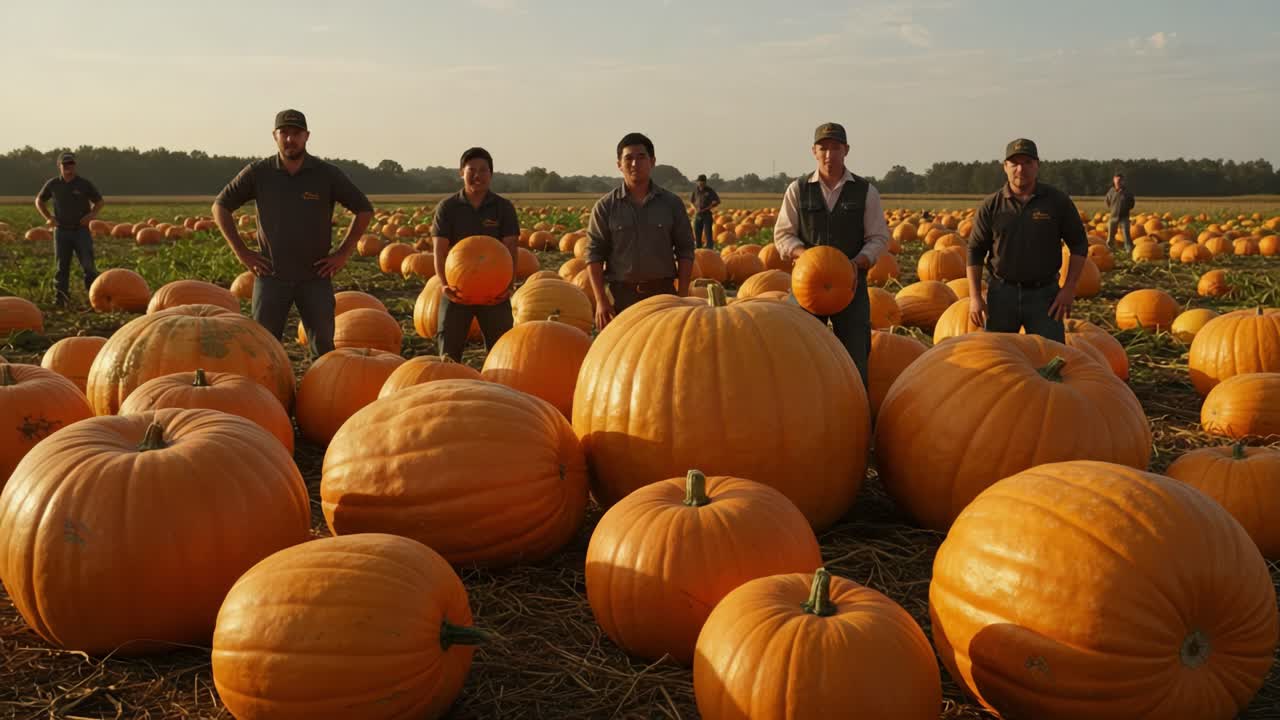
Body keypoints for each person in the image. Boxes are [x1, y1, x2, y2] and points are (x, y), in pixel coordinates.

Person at [213, 109, 374, 358]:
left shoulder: (326, 174)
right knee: (264, 348)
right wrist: (242, 252)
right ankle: (269, 395)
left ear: (307, 136)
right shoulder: (259, 172)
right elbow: (220, 206)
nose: (290, 139)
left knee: (324, 348)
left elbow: (363, 209)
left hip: (315, 276)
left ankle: (325, 395)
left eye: (296, 133)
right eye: (284, 133)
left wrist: (343, 253)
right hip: (271, 275)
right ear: (275, 136)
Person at [773, 122, 890, 387]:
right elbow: (782, 234)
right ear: (813, 151)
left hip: (850, 285)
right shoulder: (798, 190)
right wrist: (804, 255)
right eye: (823, 148)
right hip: (806, 286)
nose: (829, 154)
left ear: (845, 150)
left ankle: (854, 413)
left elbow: (878, 237)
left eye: (835, 147)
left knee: (855, 354)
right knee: (798, 351)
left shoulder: (865, 191)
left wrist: (858, 262)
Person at [966, 138, 1089, 344]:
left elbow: (1078, 244)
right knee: (1001, 359)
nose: (1020, 169)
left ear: (1037, 165)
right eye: (1014, 163)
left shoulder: (1056, 201)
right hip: (1002, 294)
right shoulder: (991, 206)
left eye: (1027, 163)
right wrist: (975, 297)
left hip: (1045, 296)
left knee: (1050, 357)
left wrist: (1069, 288)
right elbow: (975, 251)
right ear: (1005, 167)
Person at [585, 132, 696, 329]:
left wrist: (683, 295)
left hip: (663, 295)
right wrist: (601, 301)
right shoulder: (605, 207)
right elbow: (594, 256)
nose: (635, 164)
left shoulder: (671, 204)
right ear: (619, 164)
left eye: (641, 157)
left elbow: (685, 249)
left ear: (652, 161)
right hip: (622, 297)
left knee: (664, 352)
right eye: (628, 158)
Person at [430, 147, 519, 362]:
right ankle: (448, 388)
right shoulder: (448, 208)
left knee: (503, 350)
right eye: (472, 170)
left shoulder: (503, 207)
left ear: (491, 174)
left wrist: (509, 284)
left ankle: (500, 389)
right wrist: (444, 285)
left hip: (494, 291)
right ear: (461, 172)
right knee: (448, 351)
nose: (477, 175)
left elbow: (511, 249)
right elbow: (440, 251)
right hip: (457, 289)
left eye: (483, 170)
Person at [35, 153, 104, 305]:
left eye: (71, 164)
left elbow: (99, 201)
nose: (68, 168)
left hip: (81, 231)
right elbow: (39, 200)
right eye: (65, 165)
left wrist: (91, 215)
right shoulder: (53, 184)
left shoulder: (84, 184)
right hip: (61, 231)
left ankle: (95, 298)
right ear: (59, 166)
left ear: (75, 165)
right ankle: (61, 299)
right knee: (62, 266)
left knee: (88, 265)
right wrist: (49, 217)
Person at [1105, 172, 1136, 253]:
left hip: (1124, 217)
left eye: (1120, 180)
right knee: (1110, 235)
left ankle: (1129, 250)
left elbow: (1132, 203)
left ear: (1123, 181)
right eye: (1116, 180)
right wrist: (1113, 209)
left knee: (1126, 235)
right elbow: (1107, 201)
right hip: (1113, 216)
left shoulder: (1127, 192)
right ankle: (1109, 250)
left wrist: (1125, 208)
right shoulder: (1111, 191)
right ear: (1114, 180)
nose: (1118, 182)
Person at [689, 174, 720, 249]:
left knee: (708, 233)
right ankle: (698, 249)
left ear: (705, 182)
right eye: (700, 182)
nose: (701, 184)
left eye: (703, 182)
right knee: (697, 233)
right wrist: (695, 209)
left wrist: (708, 208)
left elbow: (717, 201)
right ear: (697, 182)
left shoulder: (710, 190)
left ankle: (709, 249)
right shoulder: (695, 190)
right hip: (697, 214)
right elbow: (691, 202)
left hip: (707, 214)